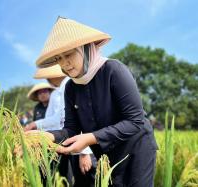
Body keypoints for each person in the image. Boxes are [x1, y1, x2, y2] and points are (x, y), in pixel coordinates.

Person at [34, 17, 158, 186]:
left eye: (68, 54)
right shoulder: (71, 87)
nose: (64, 63)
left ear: (86, 49)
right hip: (106, 154)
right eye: (59, 58)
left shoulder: (114, 70)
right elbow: (71, 129)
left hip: (136, 150)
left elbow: (134, 121)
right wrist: (47, 136)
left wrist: (91, 137)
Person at [25, 65, 96, 186]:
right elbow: (57, 118)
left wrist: (85, 152)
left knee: (89, 180)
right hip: (67, 142)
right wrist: (36, 126)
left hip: (83, 144)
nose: (47, 79)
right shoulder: (57, 91)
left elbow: (83, 117)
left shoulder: (72, 83)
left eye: (47, 76)